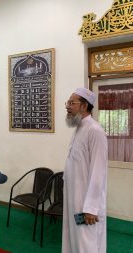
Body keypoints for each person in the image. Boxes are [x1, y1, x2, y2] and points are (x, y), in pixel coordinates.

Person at [62, 87, 108, 253]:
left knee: (87, 244)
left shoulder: (95, 131)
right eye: (67, 102)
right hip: (74, 199)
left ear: (84, 105)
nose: (67, 106)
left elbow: (98, 172)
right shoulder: (79, 128)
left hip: (86, 205)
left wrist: (91, 208)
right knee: (74, 240)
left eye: (71, 103)